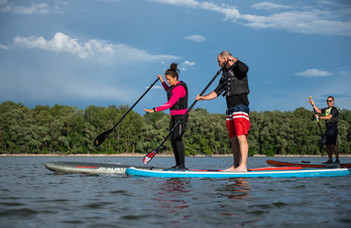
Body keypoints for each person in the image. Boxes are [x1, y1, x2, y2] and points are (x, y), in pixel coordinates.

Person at [196, 51, 250, 172]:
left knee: (241, 136)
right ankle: (235, 165)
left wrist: (233, 59)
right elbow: (217, 91)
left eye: (219, 61)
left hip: (240, 105)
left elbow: (245, 68)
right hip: (230, 108)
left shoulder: (238, 67)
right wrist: (203, 97)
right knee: (233, 138)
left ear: (225, 58)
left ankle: (243, 166)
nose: (218, 64)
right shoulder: (224, 74)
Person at [144, 63, 189, 170]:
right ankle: (177, 165)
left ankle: (182, 166)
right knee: (172, 140)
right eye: (167, 79)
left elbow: (170, 104)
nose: (168, 81)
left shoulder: (179, 88)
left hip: (181, 116)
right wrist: (162, 81)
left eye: (169, 79)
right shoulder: (173, 87)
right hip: (174, 117)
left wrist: (154, 110)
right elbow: (168, 90)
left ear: (175, 77)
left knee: (178, 139)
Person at [308, 96, 341, 165]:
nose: (328, 102)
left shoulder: (335, 109)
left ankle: (337, 160)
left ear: (333, 101)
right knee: (327, 145)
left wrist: (319, 117)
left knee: (333, 145)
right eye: (327, 101)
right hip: (328, 129)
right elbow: (319, 111)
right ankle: (330, 160)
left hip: (333, 129)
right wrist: (313, 104)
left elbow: (329, 117)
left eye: (330, 101)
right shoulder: (326, 109)